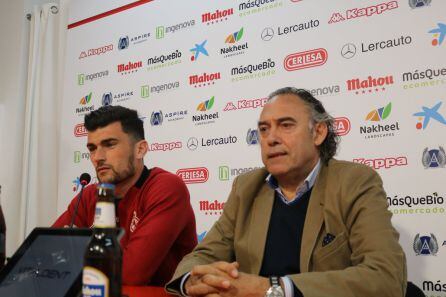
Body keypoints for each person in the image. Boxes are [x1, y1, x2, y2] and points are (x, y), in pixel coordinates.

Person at [166, 87, 407, 297]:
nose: (271, 138)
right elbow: (201, 256)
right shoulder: (247, 187)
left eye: (286, 125)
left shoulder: (354, 182)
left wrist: (272, 290)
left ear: (318, 133)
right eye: (263, 129)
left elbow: (386, 277)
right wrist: (196, 282)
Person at [53, 105, 197, 286]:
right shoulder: (89, 195)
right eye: (92, 148)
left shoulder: (165, 188)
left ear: (140, 149)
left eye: (109, 144)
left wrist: (71, 261)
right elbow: (45, 256)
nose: (98, 157)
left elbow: (130, 275)